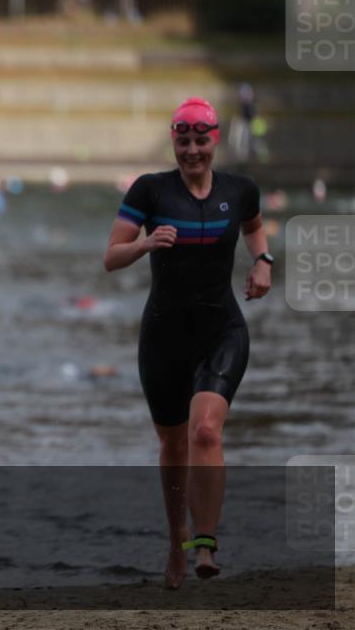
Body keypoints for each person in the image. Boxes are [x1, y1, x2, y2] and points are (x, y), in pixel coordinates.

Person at [103, 98, 272, 590]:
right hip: (163, 335)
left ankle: (205, 543)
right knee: (173, 443)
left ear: (214, 140)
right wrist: (144, 244)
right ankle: (176, 535)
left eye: (201, 140)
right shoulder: (150, 190)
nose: (192, 150)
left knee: (205, 431)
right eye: (183, 141)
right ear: (174, 140)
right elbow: (111, 256)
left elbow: (255, 228)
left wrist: (264, 262)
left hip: (222, 329)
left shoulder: (241, 189)